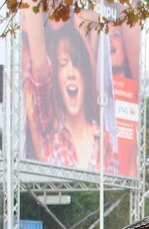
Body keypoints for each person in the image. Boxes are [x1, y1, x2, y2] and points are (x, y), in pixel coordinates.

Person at [23, 10, 117, 172]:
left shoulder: (104, 140)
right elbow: (40, 69)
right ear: (56, 76)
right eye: (63, 64)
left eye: (76, 64)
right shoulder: (50, 126)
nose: (71, 73)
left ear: (86, 74)